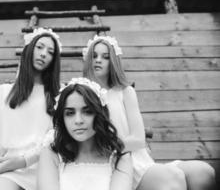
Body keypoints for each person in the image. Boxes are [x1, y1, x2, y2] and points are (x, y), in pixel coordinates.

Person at [82, 35, 216, 190]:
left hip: (139, 159)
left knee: (204, 172)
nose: (98, 60)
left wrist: (111, 146)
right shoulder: (83, 96)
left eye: (105, 57)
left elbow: (138, 139)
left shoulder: (125, 91)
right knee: (174, 178)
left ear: (113, 61)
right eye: (94, 56)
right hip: (114, 165)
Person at [0, 27, 62, 190]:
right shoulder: (1, 93)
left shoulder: (57, 96)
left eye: (50, 52)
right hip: (7, 170)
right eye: (40, 47)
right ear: (29, 49)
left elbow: (55, 137)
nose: (44, 54)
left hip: (44, 168)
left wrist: (24, 160)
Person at [37, 78, 133, 190]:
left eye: (87, 112)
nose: (78, 120)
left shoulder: (120, 157)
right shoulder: (51, 154)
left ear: (99, 114)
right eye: (70, 113)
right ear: (62, 118)